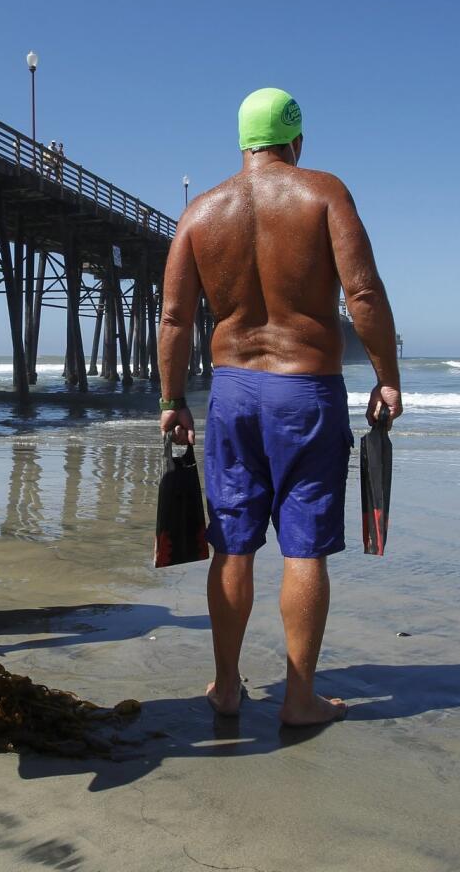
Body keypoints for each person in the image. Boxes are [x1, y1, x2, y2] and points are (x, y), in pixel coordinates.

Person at [158, 87, 401, 726]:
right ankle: (299, 697)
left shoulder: (201, 211)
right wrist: (387, 376)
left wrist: (171, 398)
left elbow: (175, 317)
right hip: (306, 392)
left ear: (243, 142)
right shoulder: (322, 192)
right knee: (304, 549)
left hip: (233, 391)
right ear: (296, 139)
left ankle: (226, 686)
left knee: (232, 544)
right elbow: (365, 293)